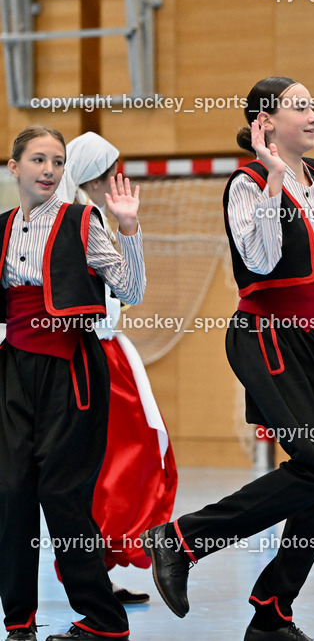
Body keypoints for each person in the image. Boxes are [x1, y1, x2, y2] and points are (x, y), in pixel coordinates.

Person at [142, 77, 314, 641]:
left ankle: (273, 609)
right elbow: (263, 258)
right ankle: (182, 540)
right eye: (299, 105)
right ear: (265, 122)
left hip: (307, 338)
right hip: (263, 334)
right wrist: (274, 178)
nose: (313, 114)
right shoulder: (247, 183)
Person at [0, 125, 145, 641]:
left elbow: (130, 288)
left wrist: (129, 230)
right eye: (37, 160)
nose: (48, 170)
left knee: (63, 495)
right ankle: (18, 622)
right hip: (14, 370)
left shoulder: (85, 221)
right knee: (11, 492)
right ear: (13, 167)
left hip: (72, 370)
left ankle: (104, 621)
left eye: (57, 162)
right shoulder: (0, 228)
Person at [57, 131, 178, 606]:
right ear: (93, 179)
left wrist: (130, 230)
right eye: (110, 173)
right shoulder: (76, 224)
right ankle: (89, 571)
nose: (118, 179)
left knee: (135, 460)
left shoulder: (102, 222)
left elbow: (131, 290)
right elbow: (126, 293)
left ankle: (100, 568)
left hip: (111, 354)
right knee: (112, 466)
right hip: (89, 355)